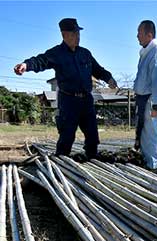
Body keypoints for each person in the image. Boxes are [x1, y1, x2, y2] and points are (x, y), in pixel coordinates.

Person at [14, 18, 117, 159]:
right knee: (67, 135)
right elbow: (40, 61)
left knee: (92, 134)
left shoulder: (85, 53)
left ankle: (92, 157)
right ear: (64, 35)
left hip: (86, 99)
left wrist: (109, 78)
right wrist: (26, 65)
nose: (78, 37)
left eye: (78, 33)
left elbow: (98, 69)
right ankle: (62, 160)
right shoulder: (57, 53)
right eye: (74, 34)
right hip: (68, 100)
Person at [133, 19, 157, 170]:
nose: (137, 36)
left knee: (150, 132)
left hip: (150, 101)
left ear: (149, 35)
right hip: (142, 99)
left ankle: (153, 164)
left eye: (139, 33)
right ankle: (146, 159)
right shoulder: (146, 53)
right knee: (142, 131)